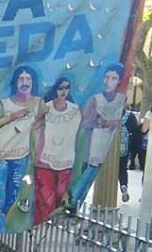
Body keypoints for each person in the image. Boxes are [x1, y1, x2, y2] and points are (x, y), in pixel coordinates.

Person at [0, 65, 44, 233]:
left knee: (11, 199)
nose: (24, 82)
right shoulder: (4, 104)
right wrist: (12, 117)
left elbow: (41, 121)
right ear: (15, 82)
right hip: (0, 158)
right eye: (21, 79)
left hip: (20, 158)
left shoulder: (38, 103)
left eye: (28, 79)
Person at [67, 64, 126, 214]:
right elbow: (85, 121)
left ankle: (74, 203)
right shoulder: (95, 99)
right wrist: (98, 122)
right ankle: (72, 200)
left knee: (92, 173)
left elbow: (117, 121)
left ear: (119, 81)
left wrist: (110, 123)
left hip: (105, 144)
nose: (108, 81)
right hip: (91, 144)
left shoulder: (120, 99)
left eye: (113, 78)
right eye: (106, 77)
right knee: (89, 170)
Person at [33, 76, 81, 225]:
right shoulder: (46, 107)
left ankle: (50, 225)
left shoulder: (75, 110)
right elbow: (32, 126)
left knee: (60, 194)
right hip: (44, 161)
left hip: (65, 160)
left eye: (67, 87)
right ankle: (41, 226)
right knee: (45, 198)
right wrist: (40, 115)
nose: (63, 91)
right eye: (60, 88)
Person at [118, 106, 138, 203]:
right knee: (122, 169)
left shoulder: (107, 113)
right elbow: (135, 134)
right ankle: (123, 185)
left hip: (107, 149)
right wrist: (133, 152)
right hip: (123, 148)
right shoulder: (130, 116)